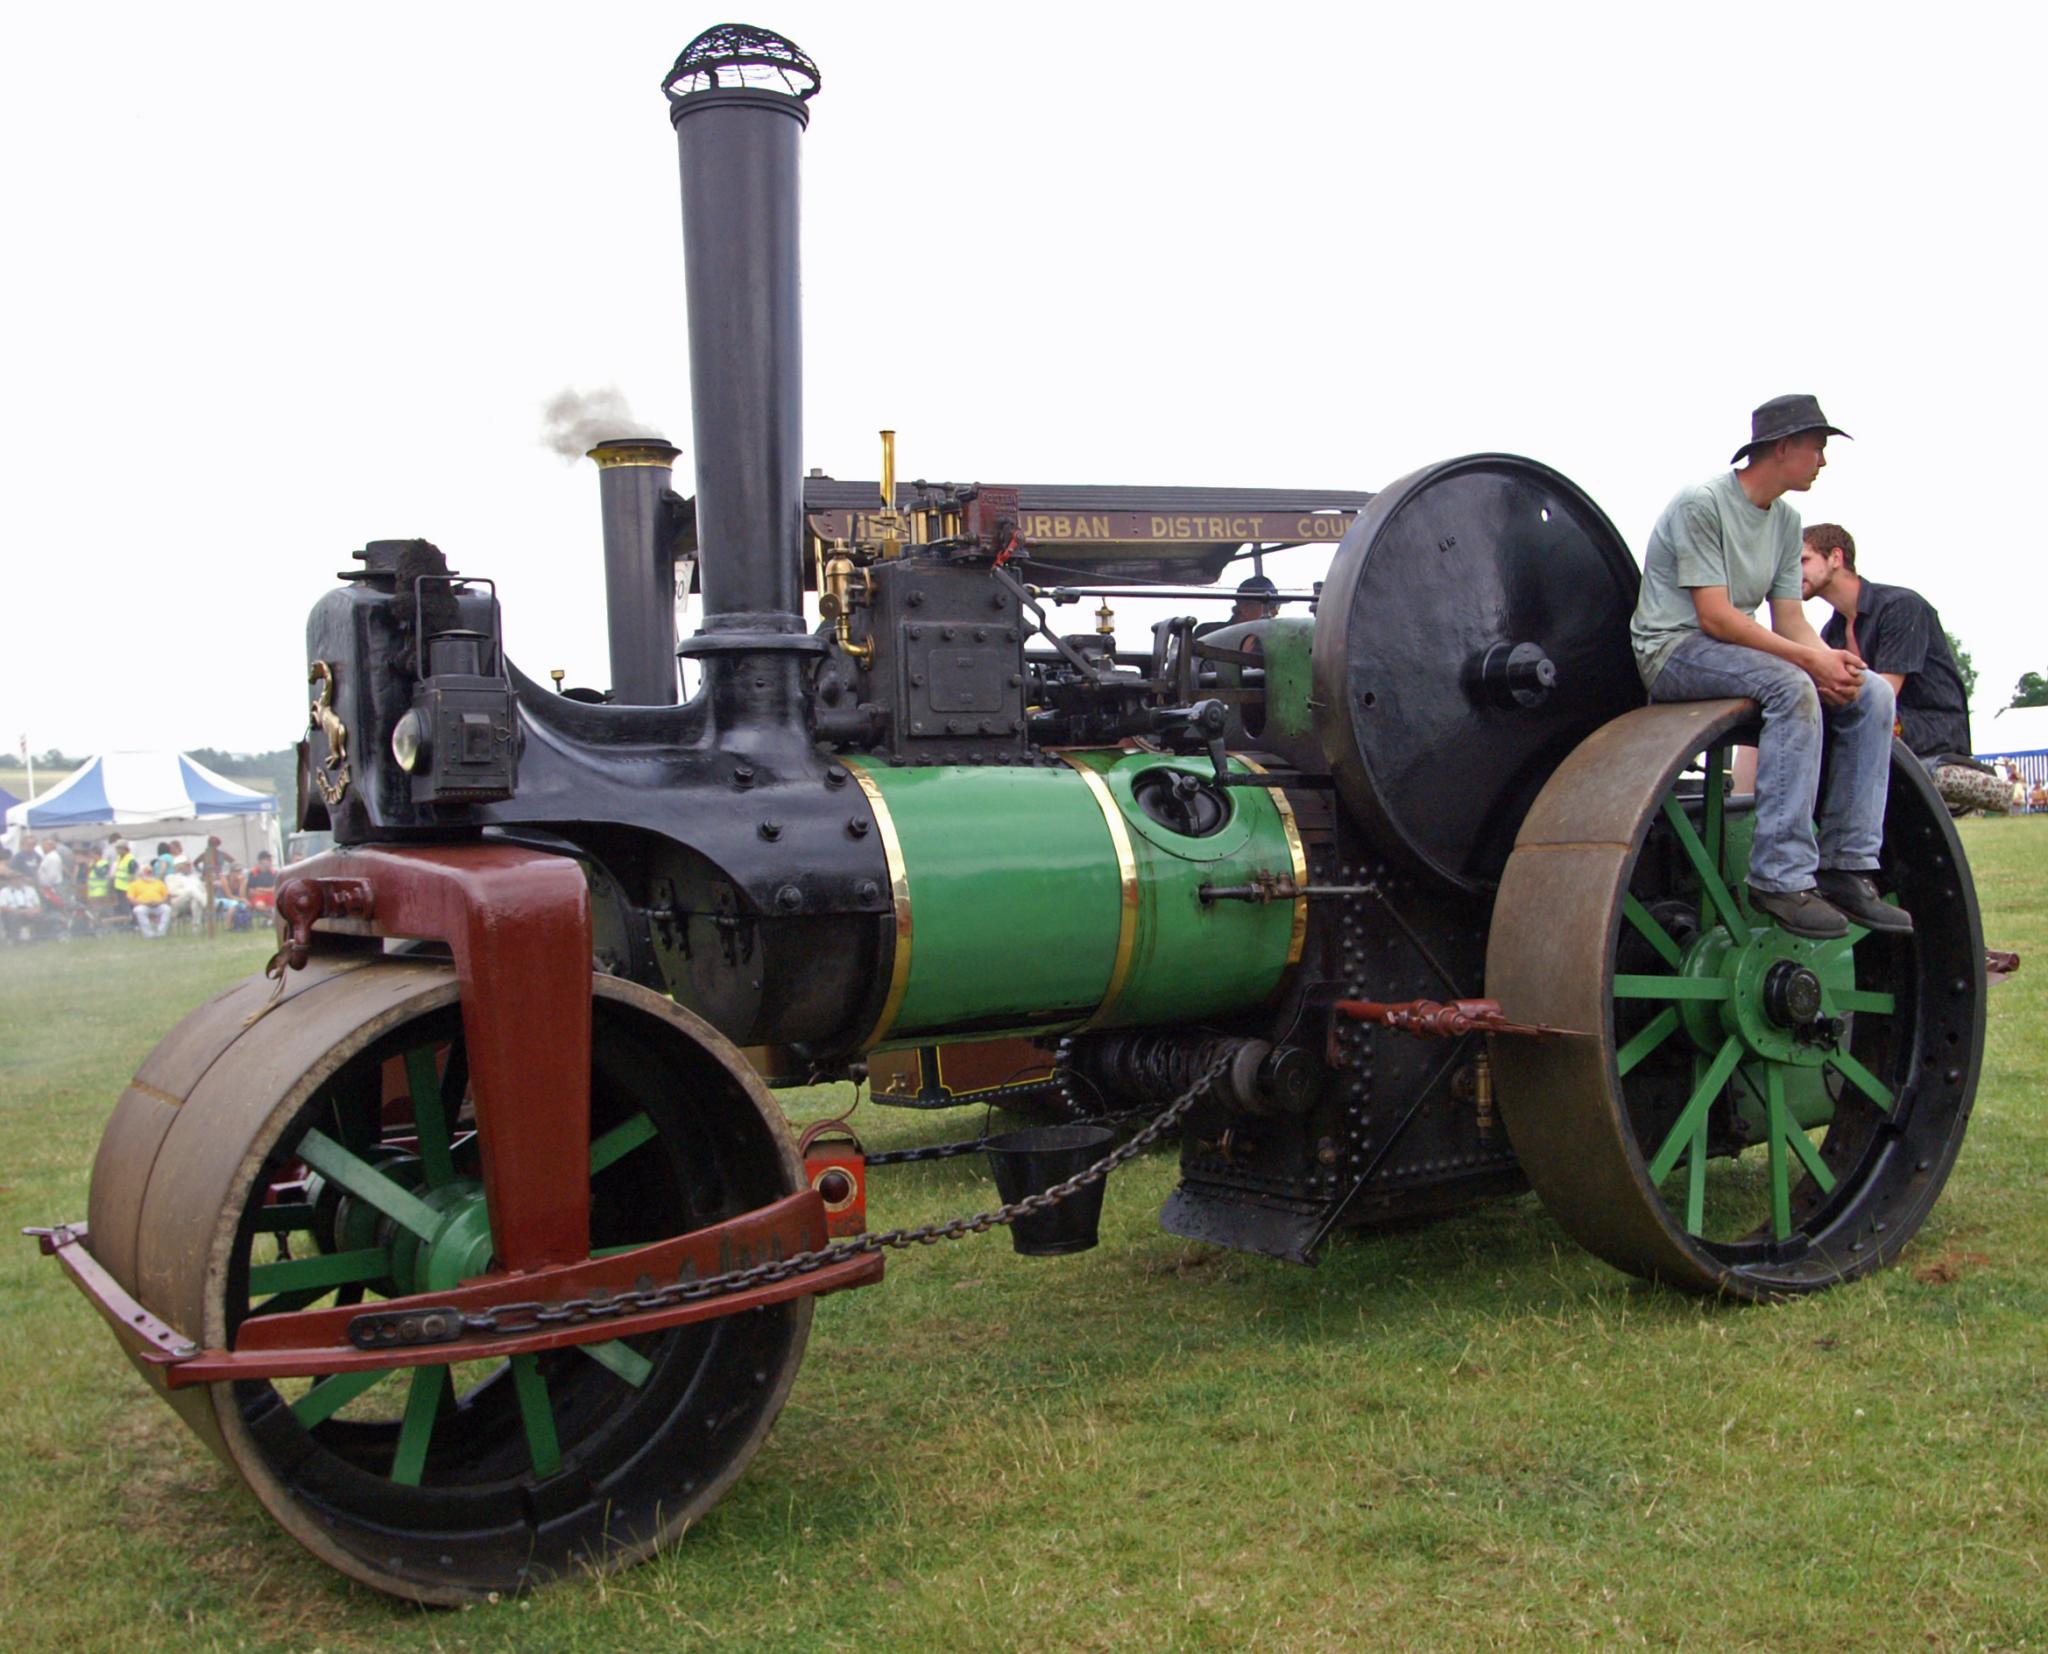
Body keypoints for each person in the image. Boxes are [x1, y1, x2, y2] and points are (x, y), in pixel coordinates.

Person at [1629, 394, 1909, 941]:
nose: (1823, 461)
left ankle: (1847, 867)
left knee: (1872, 693)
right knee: (1791, 686)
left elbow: (1790, 621)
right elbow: (1715, 617)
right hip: (1674, 652)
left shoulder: (1786, 521)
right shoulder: (1701, 503)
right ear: (1783, 448)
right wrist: (1808, 663)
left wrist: (1831, 663)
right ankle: (1779, 875)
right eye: (1818, 448)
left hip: (1736, 653)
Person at [1797, 523, 2007, 814]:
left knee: (1852, 720)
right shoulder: (1831, 633)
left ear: (1835, 557)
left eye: (1803, 560)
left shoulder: (1901, 607)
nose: (1794, 571)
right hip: (1875, 723)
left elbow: (1882, 694)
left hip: (1929, 727)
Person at [127, 863, 173, 938]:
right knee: (139, 910)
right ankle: (149, 934)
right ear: (141, 873)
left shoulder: (159, 883)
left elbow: (167, 896)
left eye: (151, 872)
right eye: (147, 872)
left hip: (158, 905)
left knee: (167, 909)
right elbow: (130, 899)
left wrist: (160, 902)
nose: (150, 874)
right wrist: (144, 903)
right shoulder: (134, 884)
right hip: (142, 905)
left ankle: (161, 933)